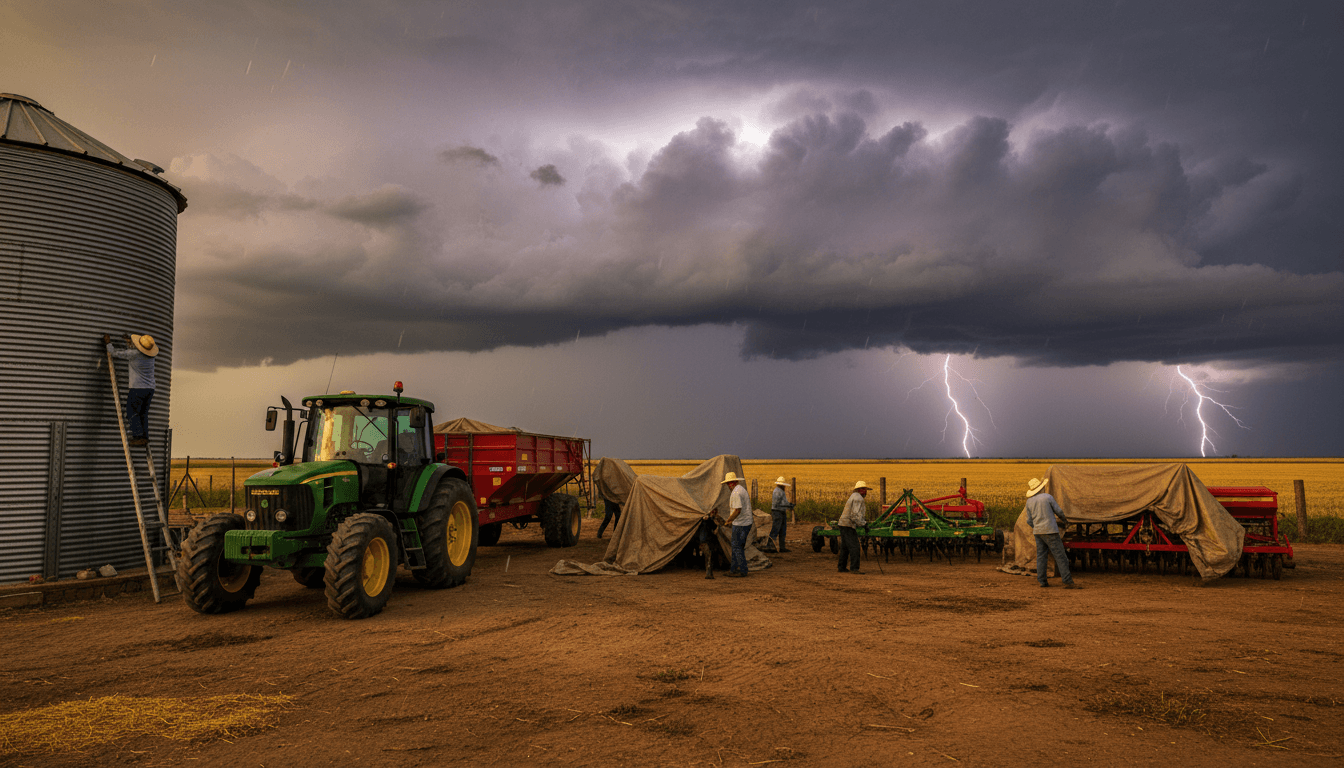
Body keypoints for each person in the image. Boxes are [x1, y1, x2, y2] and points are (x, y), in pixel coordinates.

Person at [104, 333, 158, 446]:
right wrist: (129, 343)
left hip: (138, 388)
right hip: (150, 389)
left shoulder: (134, 354)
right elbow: (134, 352)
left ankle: (138, 436)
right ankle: (144, 437)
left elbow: (114, 353)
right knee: (143, 413)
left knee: (131, 412)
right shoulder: (151, 357)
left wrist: (108, 343)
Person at [1025, 477, 1079, 589]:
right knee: (1060, 556)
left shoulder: (1029, 502)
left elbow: (1029, 520)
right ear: (1041, 488)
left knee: (1041, 556)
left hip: (1038, 533)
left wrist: (1036, 527)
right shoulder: (1047, 497)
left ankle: (1042, 581)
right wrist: (1065, 521)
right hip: (1050, 531)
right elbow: (1058, 511)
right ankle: (1067, 581)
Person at [721, 472, 753, 577]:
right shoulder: (741, 489)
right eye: (728, 483)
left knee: (736, 547)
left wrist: (729, 520)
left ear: (733, 483)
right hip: (746, 522)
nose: (728, 485)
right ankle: (733, 569)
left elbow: (737, 510)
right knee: (737, 546)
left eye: (729, 483)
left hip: (740, 523)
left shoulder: (736, 493)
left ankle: (743, 570)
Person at [837, 481, 871, 573]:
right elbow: (855, 515)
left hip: (843, 523)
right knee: (855, 547)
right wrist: (863, 524)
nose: (866, 492)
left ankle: (841, 567)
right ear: (860, 490)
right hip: (848, 524)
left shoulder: (853, 496)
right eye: (864, 489)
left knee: (845, 547)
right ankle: (854, 568)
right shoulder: (858, 498)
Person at [768, 476, 794, 552]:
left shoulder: (780, 491)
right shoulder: (778, 491)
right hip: (777, 512)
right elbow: (777, 504)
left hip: (781, 511)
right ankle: (770, 546)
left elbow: (782, 502)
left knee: (782, 530)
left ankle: (781, 547)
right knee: (776, 529)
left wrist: (788, 505)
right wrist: (789, 505)